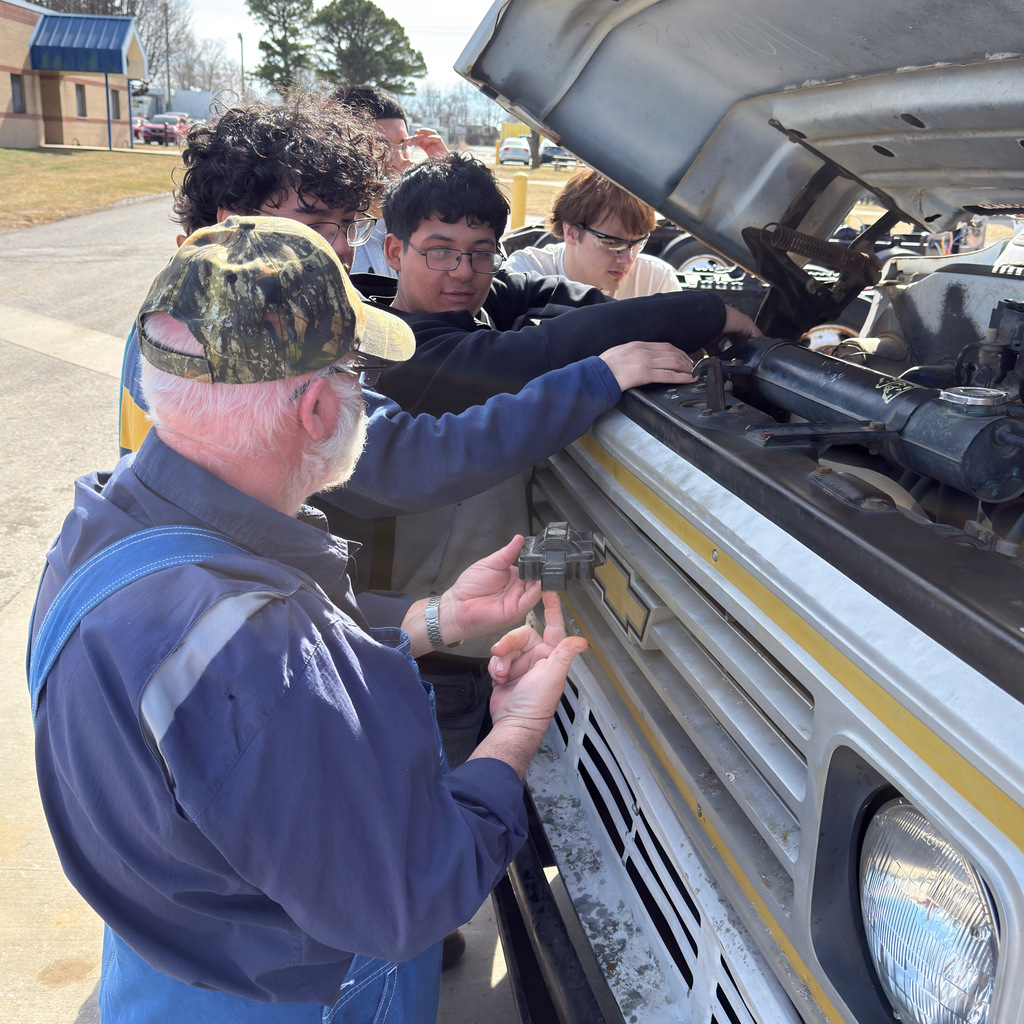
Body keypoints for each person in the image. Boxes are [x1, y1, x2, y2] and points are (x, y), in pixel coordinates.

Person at [29, 215, 590, 1023]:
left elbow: (229, 720)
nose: (365, 390)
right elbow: (412, 891)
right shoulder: (256, 647)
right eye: (357, 370)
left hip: (167, 961)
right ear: (320, 412)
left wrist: (433, 616)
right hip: (288, 996)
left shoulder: (106, 523)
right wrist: (514, 734)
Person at [368, 153, 761, 764]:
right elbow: (542, 350)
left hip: (490, 643)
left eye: (480, 250)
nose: (462, 271)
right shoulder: (402, 353)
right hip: (423, 654)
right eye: (439, 250)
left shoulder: (472, 303)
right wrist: (709, 314)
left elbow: (538, 292)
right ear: (393, 252)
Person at [503, 166, 681, 298]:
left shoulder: (656, 281)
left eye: (637, 244)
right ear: (571, 232)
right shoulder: (527, 275)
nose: (628, 259)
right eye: (613, 243)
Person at [336, 84, 447, 278]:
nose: (399, 160)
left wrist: (450, 183)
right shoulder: (332, 238)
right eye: (380, 146)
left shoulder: (415, 224)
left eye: (404, 145)